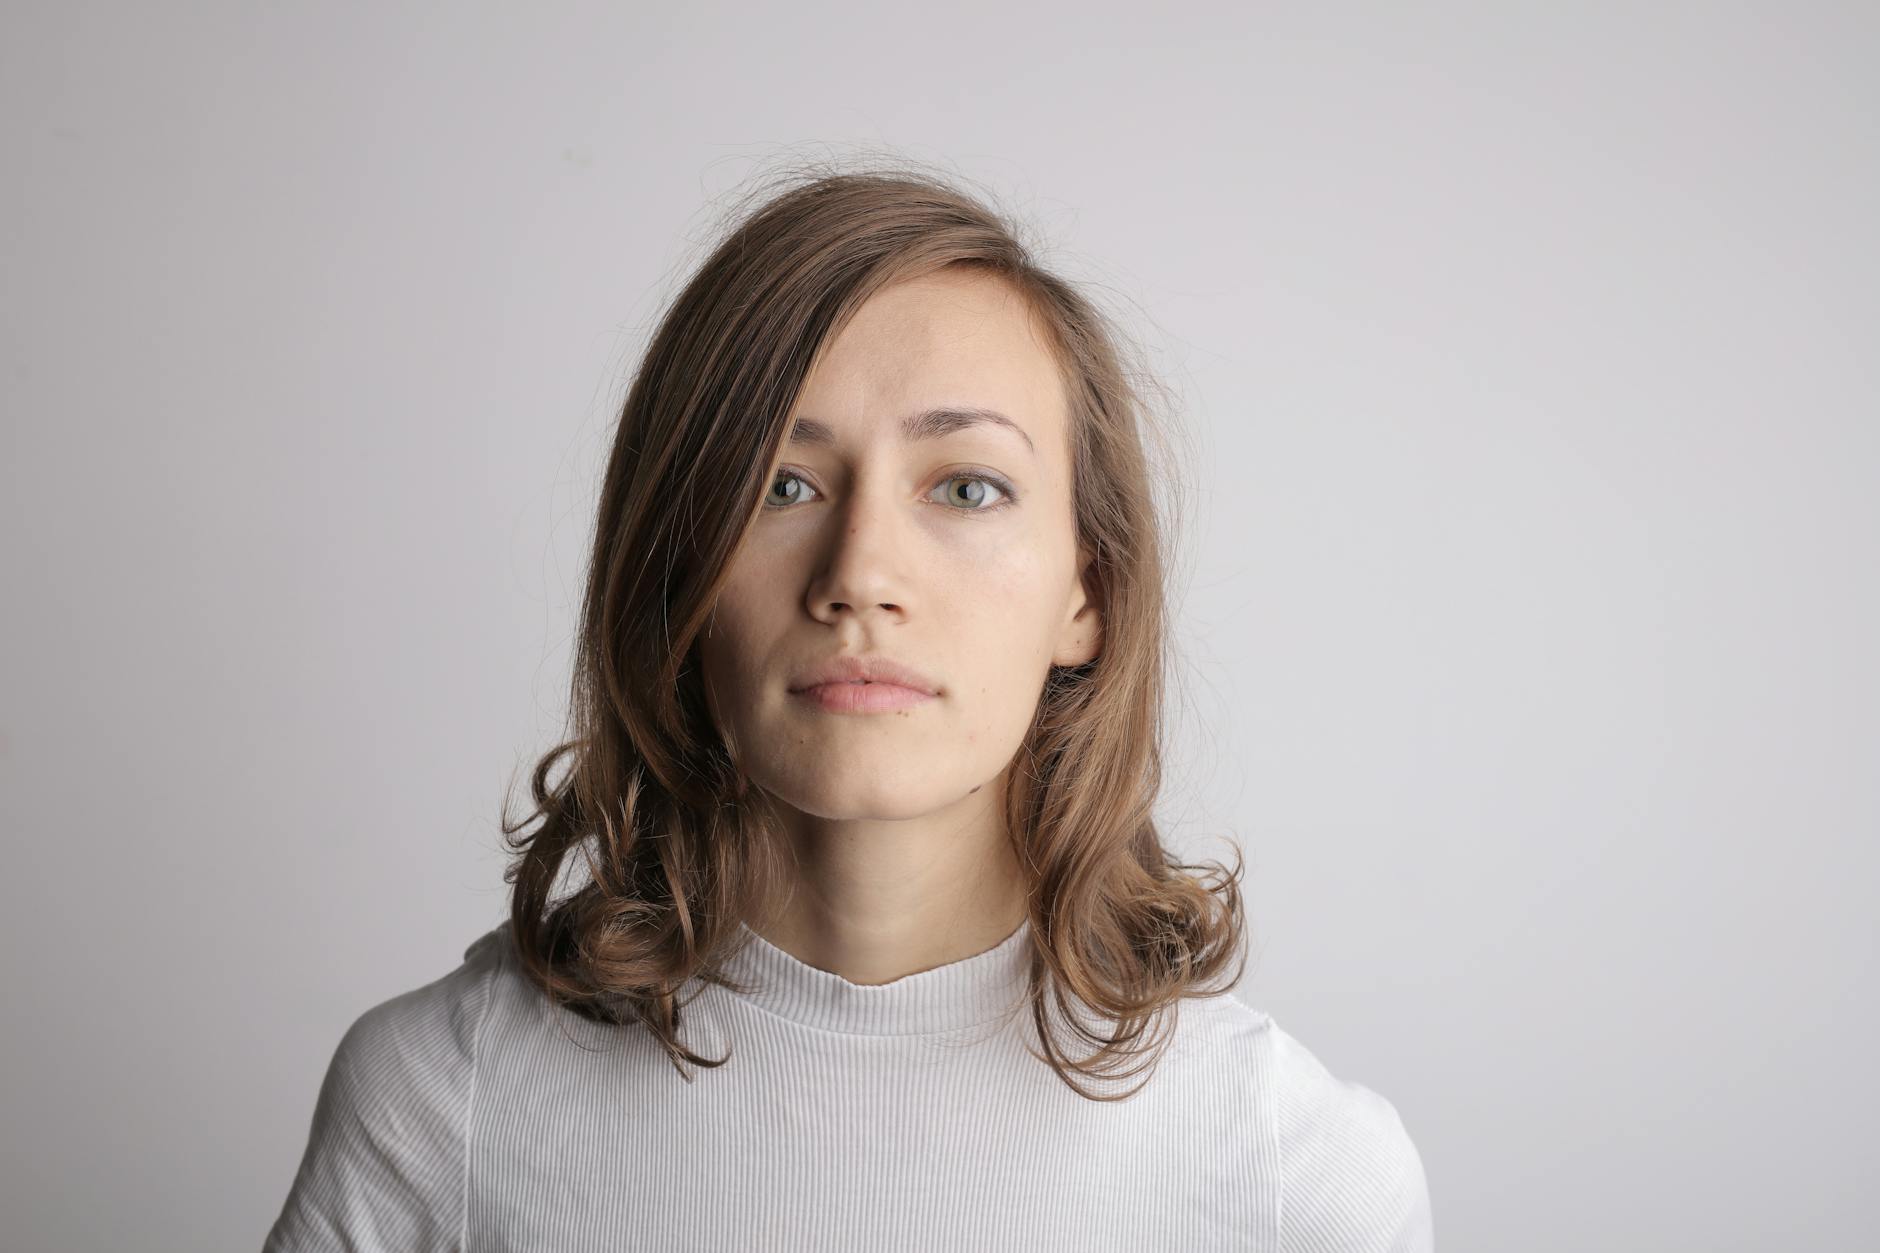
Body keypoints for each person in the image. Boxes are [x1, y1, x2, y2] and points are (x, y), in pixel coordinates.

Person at [262, 161, 1435, 1251]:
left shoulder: (1294, 1172)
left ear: (1089, 589)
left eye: (966, 486)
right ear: (677, 569)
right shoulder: (438, 1104)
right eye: (781, 484)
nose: (859, 573)